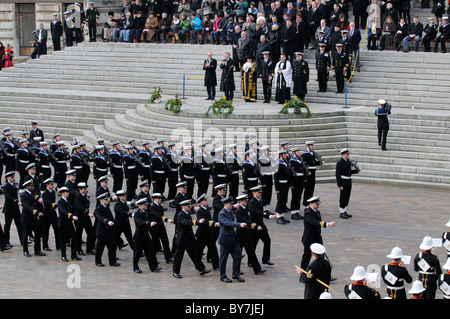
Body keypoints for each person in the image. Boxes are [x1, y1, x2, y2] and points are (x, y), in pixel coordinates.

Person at [172, 199, 212, 279]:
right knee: (178, 257)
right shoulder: (181, 215)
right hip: (182, 240)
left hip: (189, 239)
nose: (190, 207)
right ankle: (175, 272)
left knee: (194, 255)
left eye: (190, 206)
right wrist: (197, 222)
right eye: (188, 206)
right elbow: (186, 222)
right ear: (183, 207)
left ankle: (201, 269)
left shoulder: (187, 213)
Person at [299, 196, 336, 282]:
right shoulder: (308, 213)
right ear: (311, 204)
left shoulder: (316, 212)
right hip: (309, 239)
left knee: (321, 256)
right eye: (316, 204)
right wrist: (327, 224)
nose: (318, 205)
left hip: (317, 238)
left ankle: (324, 274)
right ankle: (302, 275)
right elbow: (314, 222)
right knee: (306, 257)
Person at [234, 194, 267, 275]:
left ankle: (257, 269)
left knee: (251, 252)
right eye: (244, 201)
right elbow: (245, 220)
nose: (246, 202)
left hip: (247, 234)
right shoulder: (239, 211)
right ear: (240, 202)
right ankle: (236, 271)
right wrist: (255, 226)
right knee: (238, 254)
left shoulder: (245, 208)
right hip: (240, 235)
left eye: (246, 200)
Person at [218, 196, 246, 283]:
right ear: (225, 204)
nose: (232, 205)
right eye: (230, 204)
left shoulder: (229, 211)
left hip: (232, 238)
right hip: (225, 239)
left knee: (238, 256)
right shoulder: (222, 213)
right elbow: (228, 223)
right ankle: (223, 276)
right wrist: (239, 224)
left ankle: (236, 274)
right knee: (223, 259)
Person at [247, 185, 276, 266]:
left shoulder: (260, 200)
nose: (260, 194)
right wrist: (269, 216)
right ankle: (250, 261)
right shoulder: (252, 202)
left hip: (261, 224)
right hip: (254, 226)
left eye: (261, 192)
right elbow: (258, 212)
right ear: (254, 193)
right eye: (258, 192)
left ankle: (266, 259)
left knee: (267, 241)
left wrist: (270, 214)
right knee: (253, 244)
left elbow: (264, 210)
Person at [132, 197, 161, 273]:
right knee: (137, 253)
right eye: (145, 205)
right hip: (139, 237)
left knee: (150, 252)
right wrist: (149, 223)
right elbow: (140, 222)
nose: (147, 206)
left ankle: (153, 267)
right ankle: (135, 267)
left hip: (146, 236)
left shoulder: (146, 212)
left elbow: (150, 218)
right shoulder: (137, 214)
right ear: (140, 206)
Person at [20, 179, 45, 258]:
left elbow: (36, 202)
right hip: (27, 218)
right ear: (27, 187)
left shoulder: (33, 193)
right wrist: (37, 212)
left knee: (38, 233)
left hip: (33, 218)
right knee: (25, 235)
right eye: (31, 185)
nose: (33, 186)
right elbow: (27, 206)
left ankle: (37, 250)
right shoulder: (23, 195)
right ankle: (25, 250)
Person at [94, 193, 120, 267]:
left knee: (112, 247)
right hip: (102, 232)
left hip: (109, 232)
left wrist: (114, 222)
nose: (107, 201)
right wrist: (107, 222)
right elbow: (100, 217)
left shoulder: (107, 207)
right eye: (105, 200)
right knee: (100, 248)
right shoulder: (98, 208)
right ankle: (98, 261)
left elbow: (111, 217)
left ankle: (112, 261)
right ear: (101, 200)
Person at [195, 194, 219, 270]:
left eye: (206, 200)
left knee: (213, 250)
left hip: (209, 233)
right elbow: (204, 221)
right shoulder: (200, 211)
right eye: (205, 201)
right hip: (202, 234)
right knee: (199, 250)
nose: (207, 202)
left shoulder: (207, 209)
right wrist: (214, 223)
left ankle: (216, 265)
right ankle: (198, 265)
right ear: (201, 202)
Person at [57, 186, 81, 262]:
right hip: (63, 223)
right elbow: (64, 211)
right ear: (62, 193)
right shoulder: (60, 202)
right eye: (66, 192)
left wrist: (75, 214)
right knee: (63, 240)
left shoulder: (68, 200)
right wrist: (71, 216)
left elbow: (72, 209)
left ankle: (74, 254)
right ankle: (63, 256)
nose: (68, 193)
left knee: (74, 237)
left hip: (69, 223)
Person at [149, 193, 174, 264]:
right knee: (154, 244)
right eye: (159, 198)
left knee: (165, 242)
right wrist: (167, 219)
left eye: (160, 198)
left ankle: (168, 257)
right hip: (155, 227)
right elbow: (158, 216)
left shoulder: (159, 205)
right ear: (154, 199)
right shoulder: (153, 207)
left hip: (161, 226)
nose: (160, 199)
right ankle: (153, 259)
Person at [335, 148, 360, 219]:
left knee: (347, 196)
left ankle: (344, 210)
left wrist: (356, 171)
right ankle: (341, 212)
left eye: (348, 154)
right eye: (347, 154)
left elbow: (349, 172)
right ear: (343, 155)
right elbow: (337, 174)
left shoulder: (347, 161)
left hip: (348, 181)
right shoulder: (340, 162)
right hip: (343, 181)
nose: (348, 155)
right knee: (343, 196)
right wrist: (340, 185)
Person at [74, 182, 95, 256]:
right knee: (79, 233)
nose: (85, 190)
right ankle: (78, 249)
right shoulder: (77, 196)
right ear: (80, 189)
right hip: (79, 217)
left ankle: (89, 249)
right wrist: (87, 213)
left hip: (86, 217)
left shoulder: (85, 195)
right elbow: (80, 206)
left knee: (90, 232)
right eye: (84, 188)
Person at [289, 146, 310, 220]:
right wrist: (291, 184)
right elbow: (291, 174)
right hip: (295, 181)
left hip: (300, 181)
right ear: (294, 153)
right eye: (298, 152)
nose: (299, 153)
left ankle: (296, 211)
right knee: (295, 197)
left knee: (298, 196)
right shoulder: (292, 161)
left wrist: (305, 178)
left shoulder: (299, 160)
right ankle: (293, 212)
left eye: (299, 151)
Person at [2, 171, 22, 247]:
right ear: (7, 178)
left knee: (20, 225)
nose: (13, 178)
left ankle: (23, 241)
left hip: (15, 209)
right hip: (9, 210)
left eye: (13, 177)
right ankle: (6, 242)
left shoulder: (14, 185)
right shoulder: (6, 186)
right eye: (11, 177)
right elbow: (8, 197)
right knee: (7, 226)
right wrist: (16, 201)